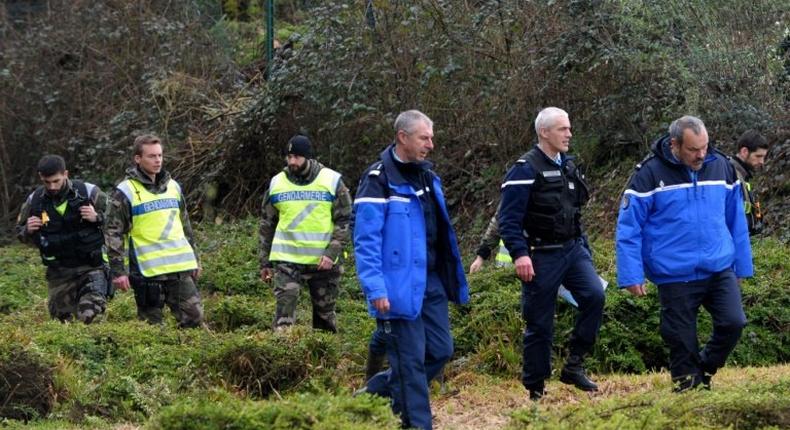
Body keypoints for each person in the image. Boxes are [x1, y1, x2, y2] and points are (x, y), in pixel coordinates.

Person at [616, 115, 752, 391]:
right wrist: (631, 274)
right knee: (681, 340)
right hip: (674, 273)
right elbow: (629, 228)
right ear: (675, 144)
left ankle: (704, 368)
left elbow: (736, 220)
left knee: (734, 323)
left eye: (704, 147)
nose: (701, 155)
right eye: (693, 149)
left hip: (719, 266)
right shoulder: (649, 174)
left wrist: (742, 266)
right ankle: (688, 391)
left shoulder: (722, 167)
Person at [353, 110, 469, 429]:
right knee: (410, 360)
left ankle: (375, 392)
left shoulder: (429, 178)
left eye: (432, 137)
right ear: (402, 138)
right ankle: (418, 424)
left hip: (431, 281)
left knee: (441, 349)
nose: (431, 144)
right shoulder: (378, 180)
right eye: (424, 138)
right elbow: (366, 240)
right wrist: (375, 288)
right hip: (397, 286)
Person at [498, 107, 605, 400]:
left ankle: (574, 366)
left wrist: (584, 248)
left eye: (569, 128)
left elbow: (574, 212)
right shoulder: (524, 169)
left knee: (595, 296)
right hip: (539, 254)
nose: (569, 134)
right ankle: (535, 387)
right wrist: (520, 254)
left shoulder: (569, 166)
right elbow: (508, 220)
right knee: (540, 323)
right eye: (562, 129)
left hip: (572, 250)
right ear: (544, 132)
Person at [105, 134, 204, 328]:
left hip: (179, 268)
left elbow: (185, 226)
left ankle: (180, 354)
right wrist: (118, 272)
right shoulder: (125, 191)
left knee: (194, 319)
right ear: (138, 159)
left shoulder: (174, 187)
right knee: (151, 328)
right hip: (147, 272)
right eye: (151, 156)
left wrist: (195, 259)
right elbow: (112, 233)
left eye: (160, 155)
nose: (157, 160)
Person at [259, 135, 352, 332]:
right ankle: (284, 358)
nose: (292, 161)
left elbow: (344, 221)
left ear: (308, 158)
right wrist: (264, 262)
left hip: (323, 263)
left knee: (325, 318)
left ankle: (323, 359)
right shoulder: (276, 183)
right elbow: (267, 224)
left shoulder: (332, 181)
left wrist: (331, 253)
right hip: (287, 260)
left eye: (297, 157)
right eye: (289, 156)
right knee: (283, 317)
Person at [16, 155, 109, 324]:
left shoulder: (89, 192)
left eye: (56, 181)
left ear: (66, 174)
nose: (52, 186)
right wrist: (27, 230)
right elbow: (20, 234)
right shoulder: (34, 201)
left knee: (91, 318)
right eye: (47, 182)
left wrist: (97, 218)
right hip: (59, 274)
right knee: (62, 326)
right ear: (40, 178)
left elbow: (118, 223)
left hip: (91, 268)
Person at [469, 208, 586, 306]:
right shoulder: (517, 189)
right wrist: (481, 257)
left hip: (540, 266)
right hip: (507, 274)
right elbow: (499, 221)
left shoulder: (554, 196)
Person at [729, 130, 769, 235]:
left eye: (763, 157)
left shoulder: (743, 174)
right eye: (758, 156)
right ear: (744, 151)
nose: (762, 162)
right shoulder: (730, 175)